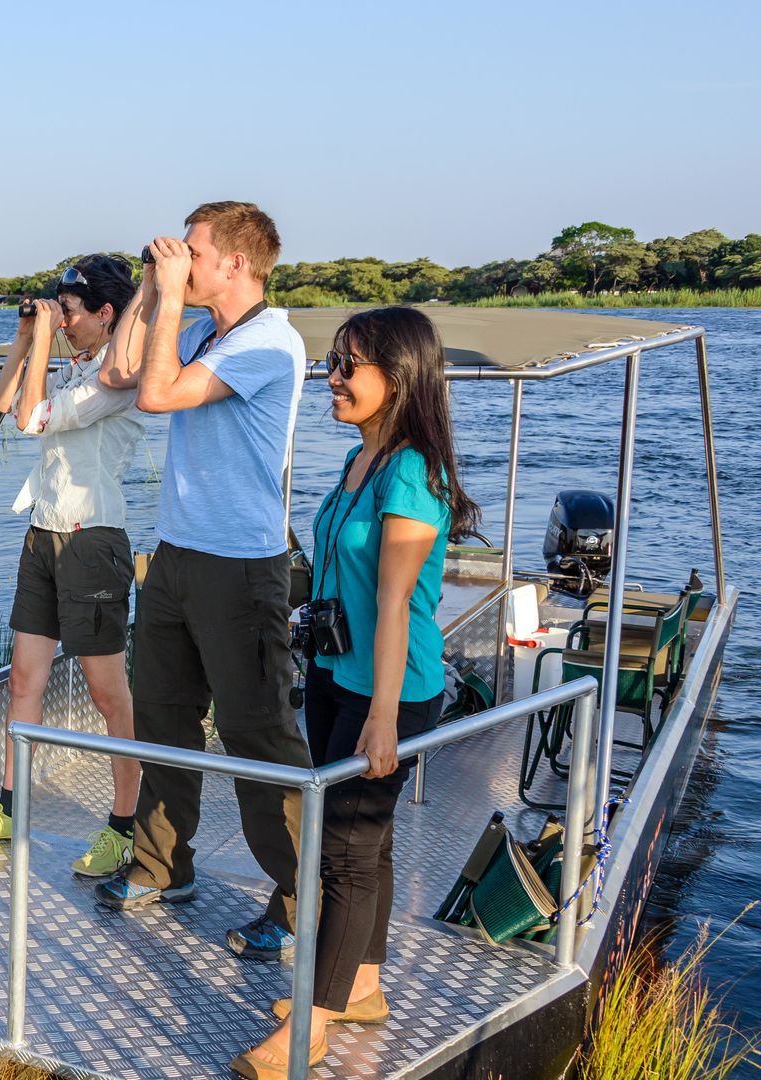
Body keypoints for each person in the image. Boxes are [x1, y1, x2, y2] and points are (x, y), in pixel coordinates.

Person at [231, 307, 479, 1079]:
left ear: (399, 378)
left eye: (350, 367)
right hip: (340, 675)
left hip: (392, 692)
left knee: (341, 853)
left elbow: (398, 602)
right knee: (364, 846)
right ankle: (363, 984)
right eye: (332, 362)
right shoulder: (356, 461)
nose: (332, 378)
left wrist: (382, 722)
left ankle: (309, 1028)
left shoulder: (409, 469)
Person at [91, 202, 315, 965]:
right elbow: (120, 371)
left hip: (243, 567)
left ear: (235, 266)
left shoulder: (267, 344)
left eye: (192, 252)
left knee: (259, 738)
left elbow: (157, 396)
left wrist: (171, 296)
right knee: (163, 719)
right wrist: (153, 294)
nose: (179, 259)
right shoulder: (198, 330)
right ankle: (162, 866)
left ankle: (298, 903)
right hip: (177, 556)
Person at [0, 255, 146, 879]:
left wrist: (40, 344)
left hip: (93, 541)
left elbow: (33, 418)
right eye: (58, 309)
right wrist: (32, 339)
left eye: (69, 312)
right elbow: (5, 398)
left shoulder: (121, 376)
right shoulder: (75, 365)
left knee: (107, 693)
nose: (62, 320)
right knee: (22, 682)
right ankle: (13, 807)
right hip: (42, 534)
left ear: (105, 314)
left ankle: (124, 824)